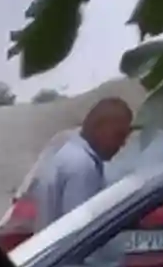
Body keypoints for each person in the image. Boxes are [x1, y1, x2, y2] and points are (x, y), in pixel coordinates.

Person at [26, 93, 134, 227]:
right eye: (119, 135)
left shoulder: (67, 153)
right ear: (98, 127)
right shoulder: (82, 166)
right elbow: (78, 229)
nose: (122, 143)